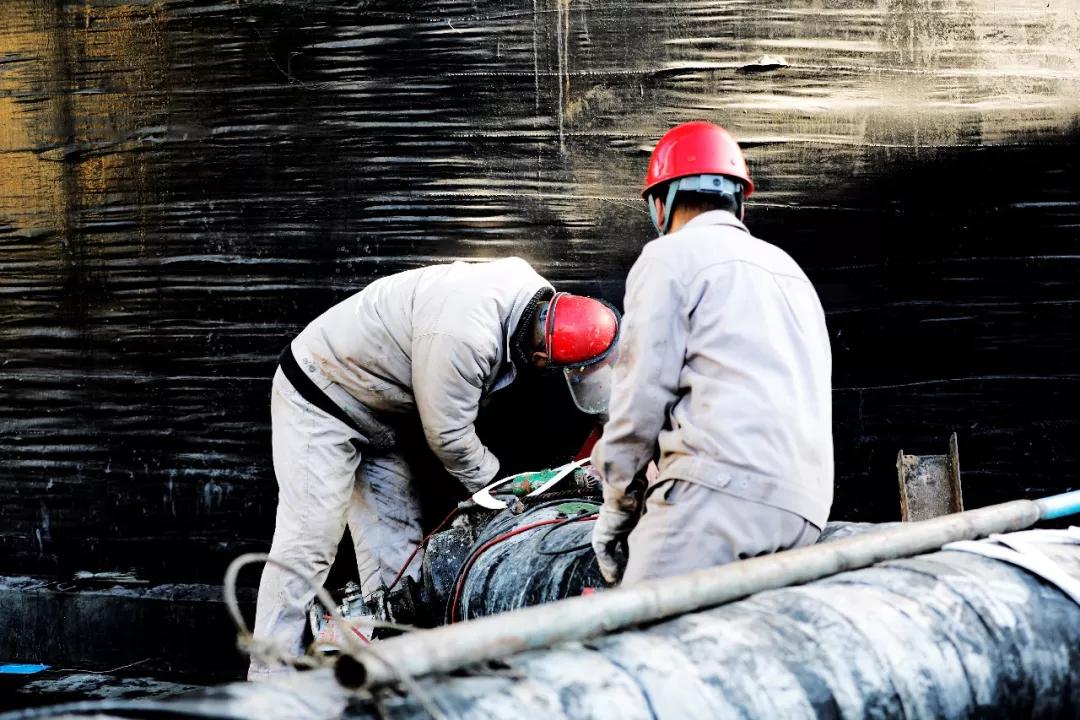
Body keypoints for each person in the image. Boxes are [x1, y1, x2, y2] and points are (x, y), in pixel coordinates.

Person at [250, 257, 619, 679]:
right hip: (322, 395)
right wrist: (502, 494)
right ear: (539, 355)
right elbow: (448, 438)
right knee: (310, 540)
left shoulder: (535, 296)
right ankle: (267, 677)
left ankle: (383, 672)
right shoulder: (464, 336)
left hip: (379, 412)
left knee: (398, 560)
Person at [590, 121, 833, 585]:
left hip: (718, 502)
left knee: (642, 641)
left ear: (660, 204)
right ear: (739, 199)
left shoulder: (669, 258)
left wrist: (617, 510)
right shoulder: (789, 270)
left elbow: (638, 400)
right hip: (805, 509)